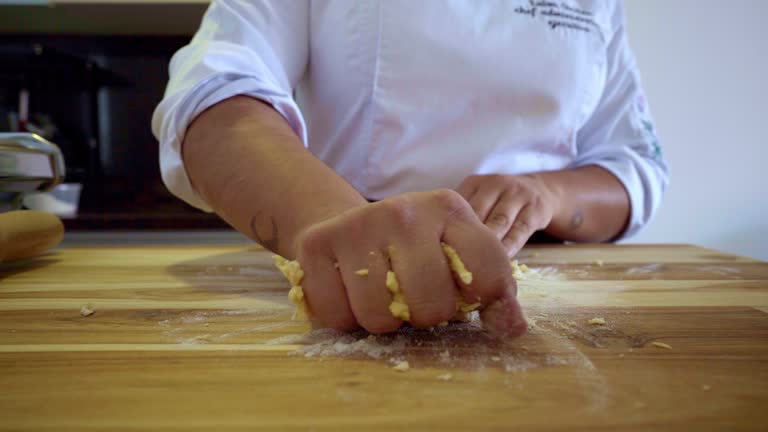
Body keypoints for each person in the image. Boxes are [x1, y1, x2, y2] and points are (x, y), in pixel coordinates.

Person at [152, 1, 669, 337]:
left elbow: (635, 167)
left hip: (547, 285)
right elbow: (211, 93)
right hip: (344, 271)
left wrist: (546, 194)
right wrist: (334, 221)